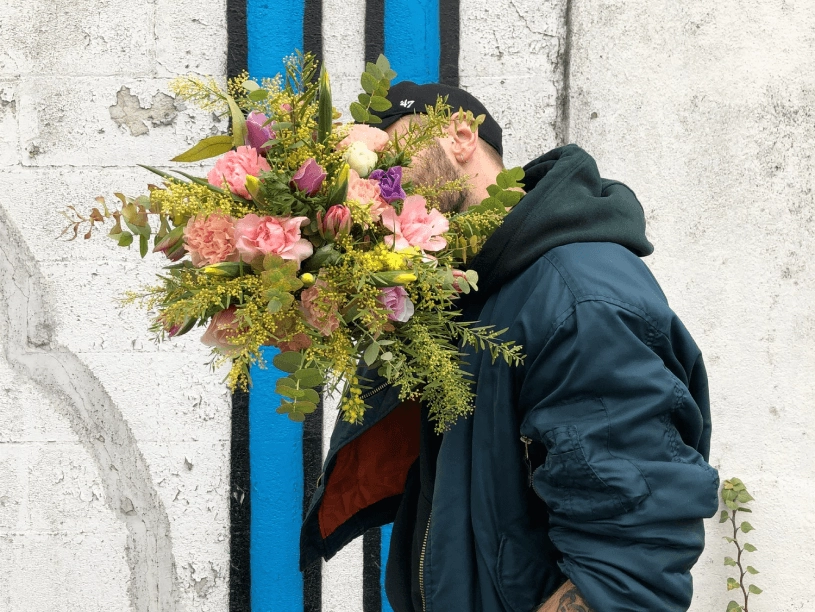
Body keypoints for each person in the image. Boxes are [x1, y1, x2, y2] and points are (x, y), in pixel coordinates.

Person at [300, 82, 720, 612]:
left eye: (390, 156)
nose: (378, 187)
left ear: (458, 136)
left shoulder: (579, 299)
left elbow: (630, 569)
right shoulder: (468, 288)